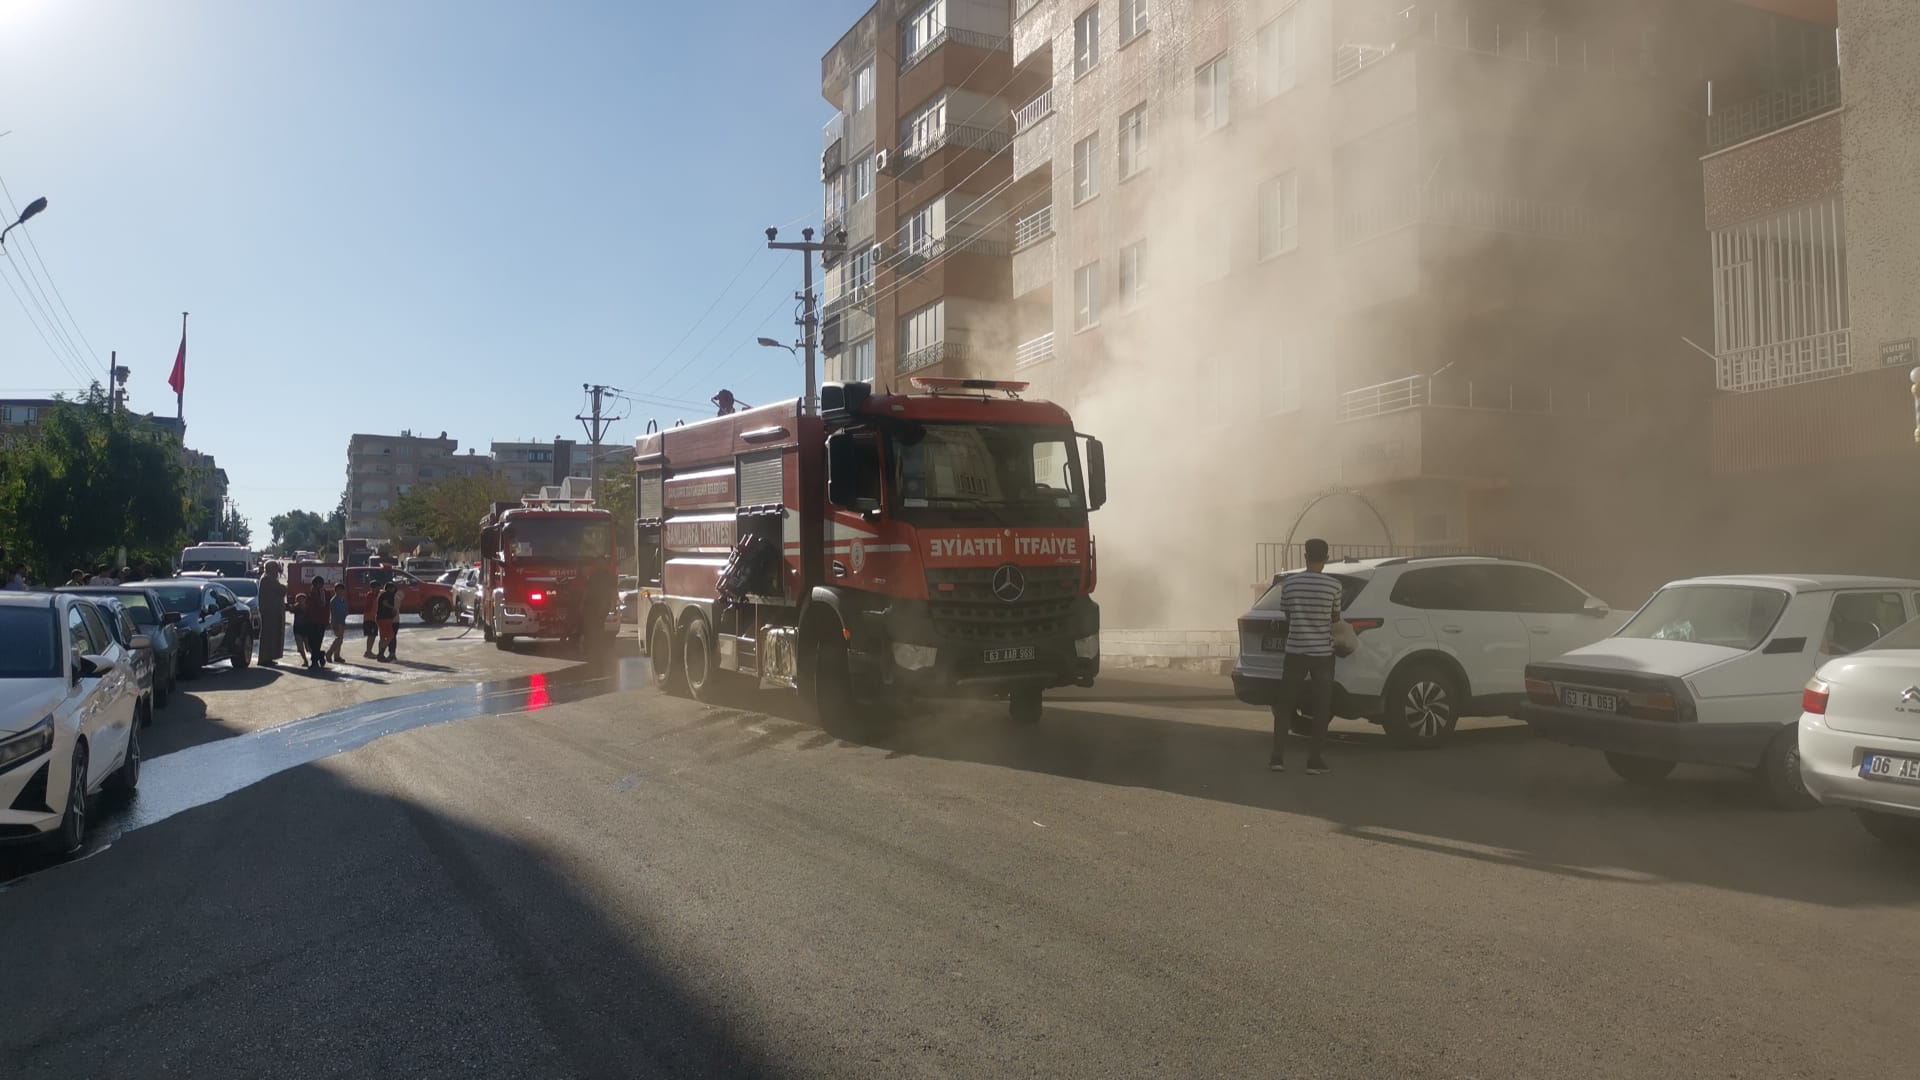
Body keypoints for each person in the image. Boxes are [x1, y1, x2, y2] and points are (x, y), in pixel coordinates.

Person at [1269, 538, 1343, 777]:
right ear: (1327, 557)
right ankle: (1314, 761)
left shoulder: (1290, 584)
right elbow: (1334, 618)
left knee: (1285, 705)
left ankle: (1277, 758)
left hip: (1295, 652)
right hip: (1322, 653)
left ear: (1304, 556)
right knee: (1322, 707)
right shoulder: (1334, 585)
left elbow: (1288, 615)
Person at [257, 562, 288, 666]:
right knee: (268, 636)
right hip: (269, 612)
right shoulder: (268, 579)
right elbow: (282, 590)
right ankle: (265, 658)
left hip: (271, 612)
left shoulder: (268, 578)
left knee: (271, 635)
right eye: (276, 569)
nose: (277, 572)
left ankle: (268, 657)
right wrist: (288, 585)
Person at [300, 575, 331, 670]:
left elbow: (327, 608)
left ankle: (314, 662)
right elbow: (306, 608)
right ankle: (320, 655)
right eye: (316, 583)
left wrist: (327, 621)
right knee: (310, 644)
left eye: (319, 583)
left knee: (317, 643)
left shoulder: (326, 594)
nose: (318, 585)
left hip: (321, 622)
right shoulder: (309, 594)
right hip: (310, 621)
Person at [375, 581, 400, 662]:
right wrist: (392, 608)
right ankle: (381, 653)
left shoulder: (382, 594)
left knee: (382, 637)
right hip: (385, 618)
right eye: (393, 588)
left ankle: (380, 655)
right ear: (390, 588)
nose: (394, 589)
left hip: (380, 618)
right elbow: (385, 603)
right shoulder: (387, 594)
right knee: (390, 636)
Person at [290, 581, 311, 667]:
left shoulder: (308, 608)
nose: (301, 601)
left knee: (308, 647)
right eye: (299, 599)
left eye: (302, 599)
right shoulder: (296, 607)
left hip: (306, 630)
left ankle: (316, 658)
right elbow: (291, 610)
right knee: (300, 648)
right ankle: (305, 661)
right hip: (297, 629)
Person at [327, 583, 349, 663]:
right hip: (336, 622)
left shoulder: (343, 600)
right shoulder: (333, 601)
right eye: (338, 590)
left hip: (342, 621)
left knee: (340, 640)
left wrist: (346, 612)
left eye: (342, 590)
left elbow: (346, 609)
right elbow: (332, 613)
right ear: (335, 591)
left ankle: (337, 656)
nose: (340, 592)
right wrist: (333, 623)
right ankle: (329, 653)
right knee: (338, 639)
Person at [363, 584, 381, 658]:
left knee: (372, 635)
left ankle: (368, 651)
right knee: (371, 635)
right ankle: (368, 651)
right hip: (370, 618)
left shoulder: (374, 595)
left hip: (373, 618)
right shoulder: (371, 595)